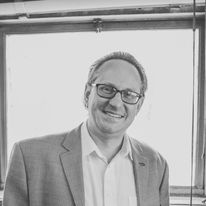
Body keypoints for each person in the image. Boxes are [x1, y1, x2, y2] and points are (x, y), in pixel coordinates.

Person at [3, 51, 169, 206]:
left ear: (139, 105)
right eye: (106, 89)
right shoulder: (29, 156)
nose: (116, 103)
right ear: (88, 93)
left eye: (129, 94)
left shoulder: (156, 165)